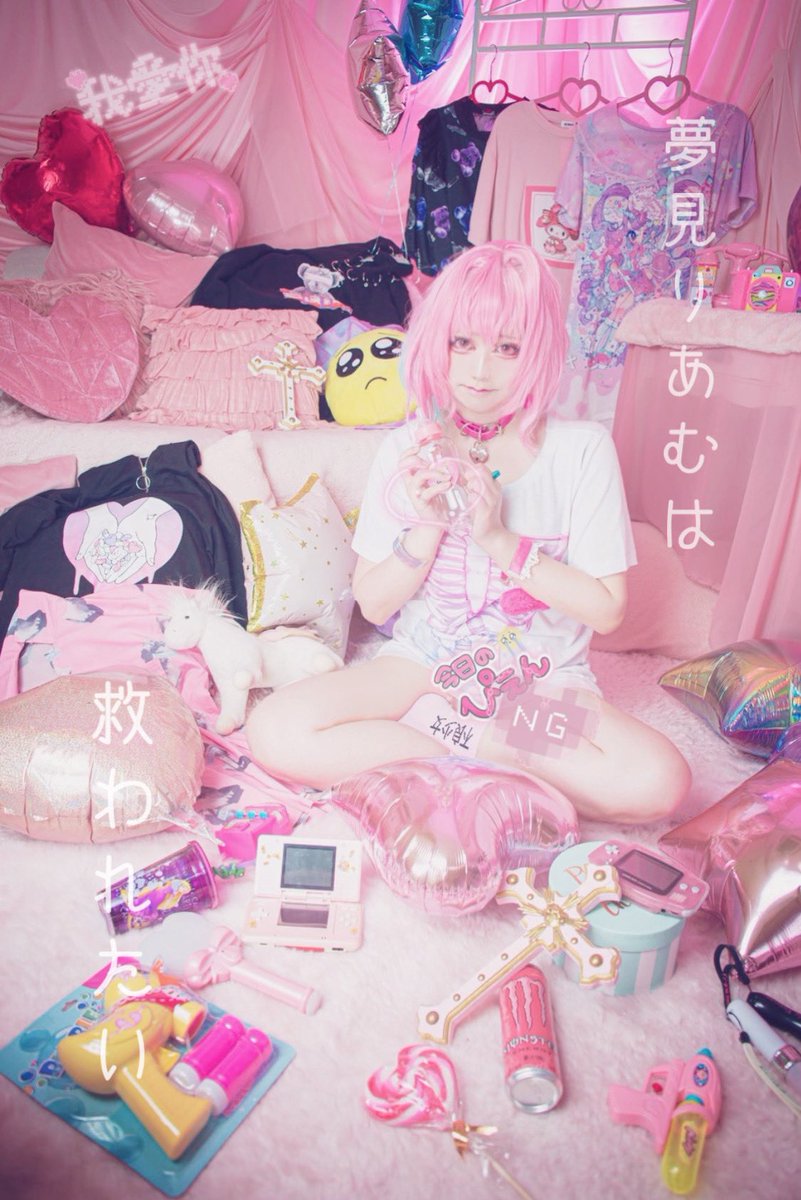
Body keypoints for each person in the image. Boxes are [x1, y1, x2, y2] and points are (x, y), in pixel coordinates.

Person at [246, 242, 691, 822]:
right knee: (276, 728)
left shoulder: (581, 450)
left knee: (658, 780)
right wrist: (427, 526)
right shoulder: (408, 448)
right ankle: (482, 770)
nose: (480, 371)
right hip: (418, 675)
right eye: (463, 343)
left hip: (535, 691)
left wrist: (498, 539)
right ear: (439, 343)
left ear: (538, 352)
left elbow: (606, 610)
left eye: (508, 348)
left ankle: (450, 760)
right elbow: (375, 604)